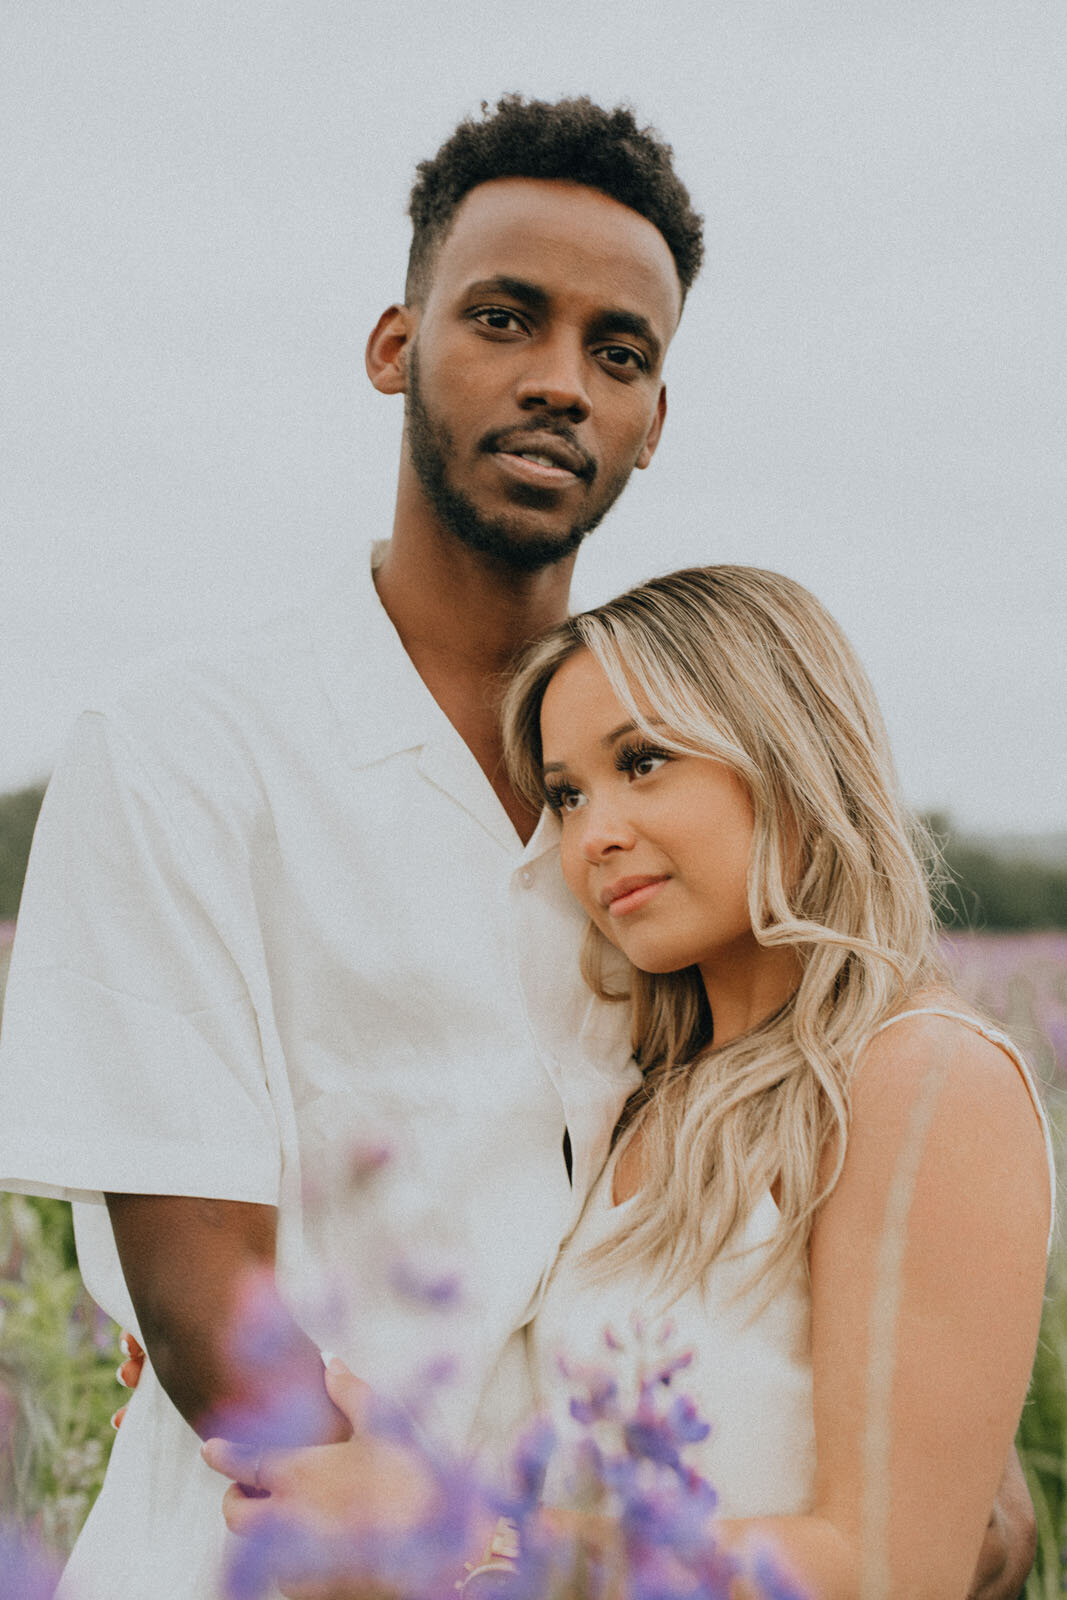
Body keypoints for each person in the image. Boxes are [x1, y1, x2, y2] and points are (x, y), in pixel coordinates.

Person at [0, 93, 1035, 1599]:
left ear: (652, 420)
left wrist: (934, 1487)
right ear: (393, 347)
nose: (559, 382)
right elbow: (200, 1288)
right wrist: (421, 1523)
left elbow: (828, 1176)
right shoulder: (182, 748)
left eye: (616, 353)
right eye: (502, 318)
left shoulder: (671, 837)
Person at [206, 566, 1054, 1598]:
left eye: (642, 761)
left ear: (789, 755)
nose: (592, 834)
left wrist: (460, 1528)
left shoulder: (925, 1077)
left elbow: (889, 1569)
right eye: (566, 794)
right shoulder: (636, 1091)